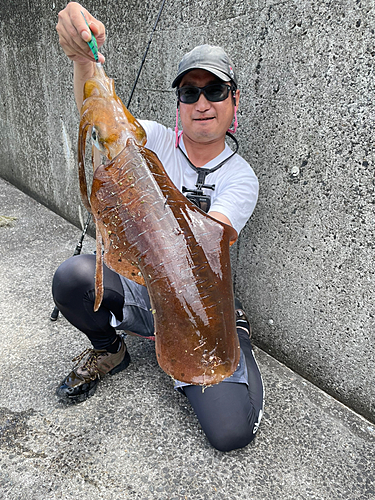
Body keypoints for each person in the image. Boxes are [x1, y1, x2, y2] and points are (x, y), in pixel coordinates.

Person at [54, 2, 264, 452]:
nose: (202, 103)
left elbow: (196, 251)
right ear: (179, 104)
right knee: (72, 278)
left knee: (230, 432)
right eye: (190, 92)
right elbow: (102, 117)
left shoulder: (240, 178)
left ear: (234, 101)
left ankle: (235, 341)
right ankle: (111, 349)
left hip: (198, 302)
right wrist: (83, 59)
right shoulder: (149, 139)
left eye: (215, 90)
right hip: (146, 286)